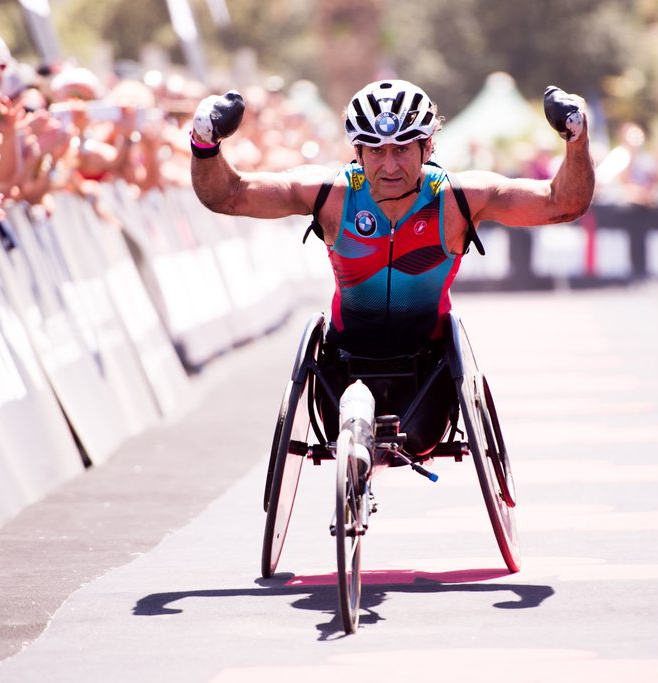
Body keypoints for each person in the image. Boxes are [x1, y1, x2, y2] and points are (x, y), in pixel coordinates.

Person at [191, 79, 594, 453]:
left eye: (402, 149)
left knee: (416, 435)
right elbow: (229, 195)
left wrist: (576, 139)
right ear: (358, 152)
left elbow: (561, 203)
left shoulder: (458, 200)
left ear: (428, 147)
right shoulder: (330, 195)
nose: (389, 166)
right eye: (376, 151)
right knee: (350, 408)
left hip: (428, 378)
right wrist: (204, 142)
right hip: (342, 370)